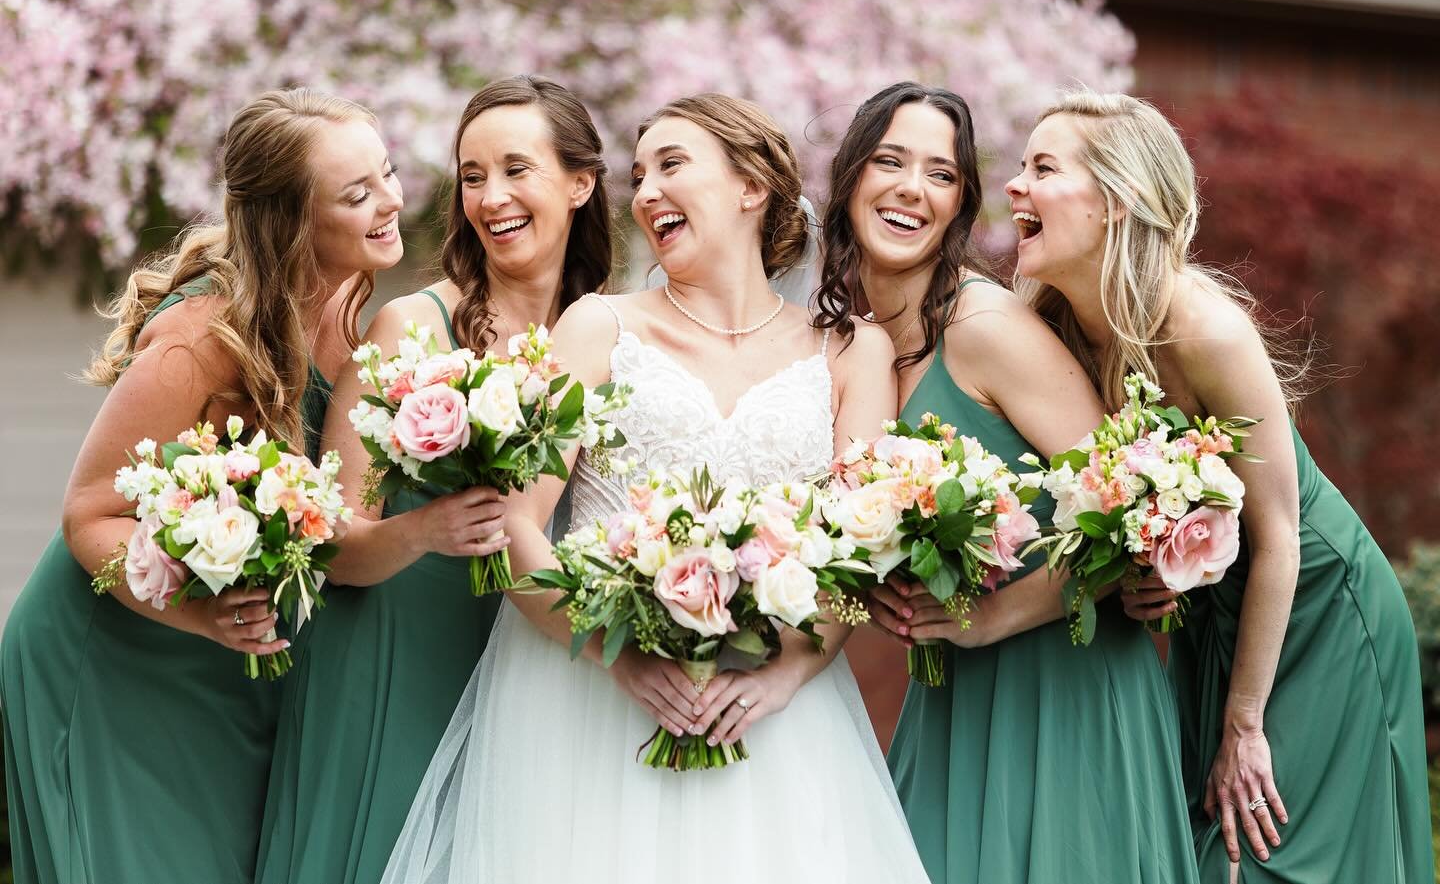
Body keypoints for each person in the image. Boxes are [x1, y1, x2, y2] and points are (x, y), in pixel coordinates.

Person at [381, 93, 930, 883]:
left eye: (672, 165)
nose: (644, 194)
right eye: (638, 177)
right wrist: (619, 658)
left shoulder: (851, 350)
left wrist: (785, 675)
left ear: (752, 186)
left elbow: (859, 547)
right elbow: (518, 523)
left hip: (779, 714)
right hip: (590, 705)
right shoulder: (600, 327)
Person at [1011, 90, 1433, 882]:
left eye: (1042, 167)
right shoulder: (1053, 329)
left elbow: (1275, 535)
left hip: (1314, 606)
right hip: (1213, 612)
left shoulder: (1204, 328)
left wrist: (1245, 722)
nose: (1013, 187)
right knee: (1197, 852)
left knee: (1270, 856)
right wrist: (1145, 577)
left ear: (1118, 200)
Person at [0, 88, 402, 884]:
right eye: (357, 195)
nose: (390, 202)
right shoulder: (196, 342)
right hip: (116, 656)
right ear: (290, 220)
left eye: (386, 174)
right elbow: (89, 513)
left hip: (226, 667)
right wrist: (202, 611)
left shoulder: (350, 292)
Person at [823, 81, 1199, 884]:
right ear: (851, 176)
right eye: (889, 160)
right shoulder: (853, 347)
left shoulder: (985, 328)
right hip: (954, 696)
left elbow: (1134, 508)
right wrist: (877, 589)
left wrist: (991, 617)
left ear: (960, 206)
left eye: (940, 173)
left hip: (1066, 688)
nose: (909, 189)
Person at [256, 75, 614, 884]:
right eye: (473, 175)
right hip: (391, 662)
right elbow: (330, 542)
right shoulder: (413, 325)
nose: (492, 197)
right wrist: (424, 529)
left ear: (581, 182)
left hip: (532, 668)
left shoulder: (614, 334)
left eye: (516, 169)